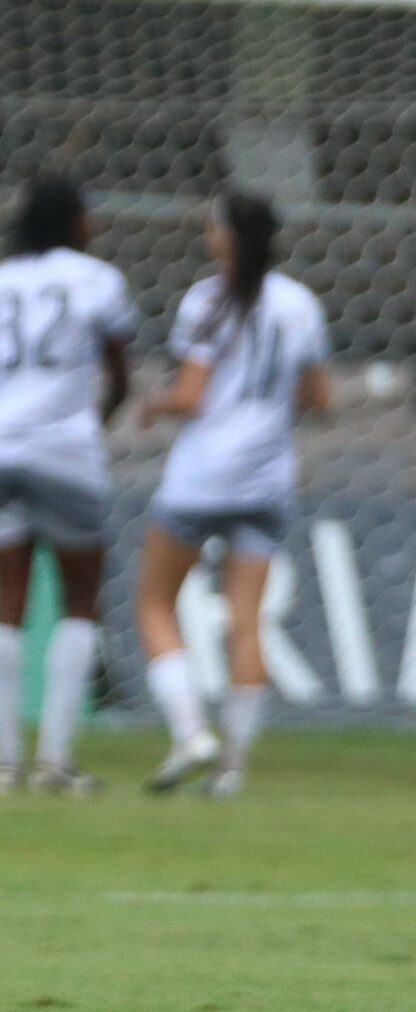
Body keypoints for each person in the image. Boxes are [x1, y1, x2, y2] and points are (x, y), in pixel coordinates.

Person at [136, 190, 331, 798]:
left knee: (154, 603)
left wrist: (156, 405)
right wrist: (268, 412)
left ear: (225, 236)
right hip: (268, 478)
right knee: (248, 622)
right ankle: (234, 769)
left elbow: (192, 397)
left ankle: (192, 731)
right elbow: (320, 397)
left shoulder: (207, 301)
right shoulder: (300, 305)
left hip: (201, 476)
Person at [0, 176, 134, 796]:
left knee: (7, 599)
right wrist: (95, 424)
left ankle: (5, 763)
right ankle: (55, 762)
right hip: (66, 450)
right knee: (79, 601)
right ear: (74, 220)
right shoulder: (98, 279)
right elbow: (120, 373)